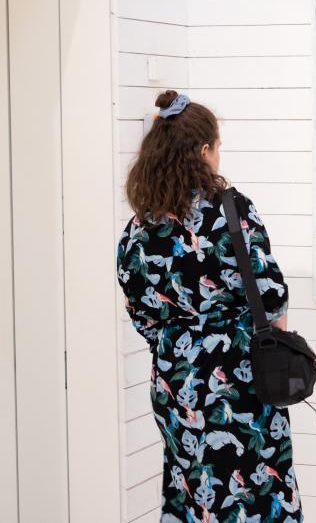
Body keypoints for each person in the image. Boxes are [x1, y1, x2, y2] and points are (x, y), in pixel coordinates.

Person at [115, 90, 304, 523]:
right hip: (240, 375)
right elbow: (272, 294)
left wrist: (178, 343)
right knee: (259, 488)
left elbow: (139, 311)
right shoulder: (233, 211)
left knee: (193, 490)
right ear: (203, 151)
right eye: (217, 148)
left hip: (175, 383)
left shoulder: (138, 229)